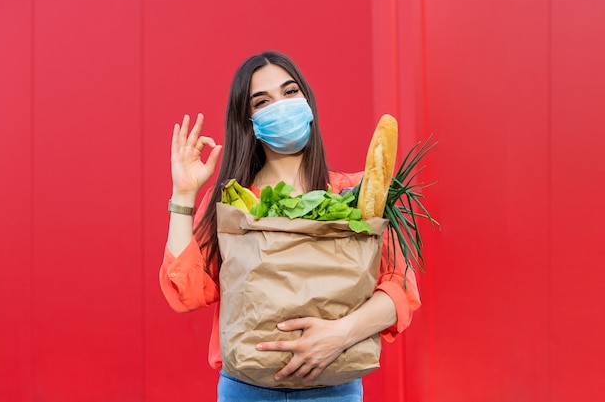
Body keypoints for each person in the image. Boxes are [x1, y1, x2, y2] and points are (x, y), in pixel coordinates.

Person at [160, 51, 421, 401]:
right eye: (262, 101)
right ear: (248, 120)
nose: (280, 105)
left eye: (290, 92)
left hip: (335, 389)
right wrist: (184, 194)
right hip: (247, 391)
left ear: (308, 102)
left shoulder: (353, 195)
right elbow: (186, 292)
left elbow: (399, 289)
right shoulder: (232, 203)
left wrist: (339, 334)